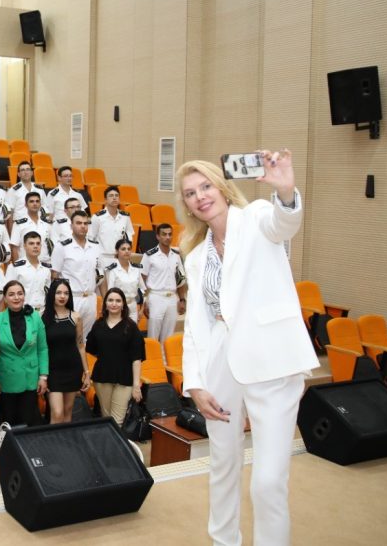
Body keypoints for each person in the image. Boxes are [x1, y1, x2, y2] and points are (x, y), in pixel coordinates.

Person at [176, 150, 316, 546]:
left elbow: (284, 222)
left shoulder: (255, 217)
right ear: (185, 204)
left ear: (222, 187)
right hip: (220, 361)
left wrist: (285, 189)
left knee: (268, 482)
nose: (200, 196)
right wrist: (196, 383)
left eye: (205, 186)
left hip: (271, 359)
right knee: (222, 464)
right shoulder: (196, 254)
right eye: (190, 193)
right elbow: (197, 327)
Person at [0, 280, 48, 427]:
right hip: (6, 381)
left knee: (29, 425)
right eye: (11, 294)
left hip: (30, 379)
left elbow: (42, 349)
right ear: (4, 298)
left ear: (24, 296)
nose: (16, 297)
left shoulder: (35, 317)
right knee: (8, 425)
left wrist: (43, 376)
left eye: (20, 293)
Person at [86, 288, 144, 421]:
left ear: (123, 304)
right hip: (102, 378)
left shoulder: (131, 326)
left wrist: (136, 386)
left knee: (117, 420)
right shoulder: (98, 325)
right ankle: (108, 442)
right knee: (106, 418)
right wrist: (108, 358)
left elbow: (137, 359)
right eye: (110, 300)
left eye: (118, 301)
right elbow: (92, 349)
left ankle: (116, 441)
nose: (114, 304)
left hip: (125, 379)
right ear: (105, 303)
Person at [41, 279, 88, 423]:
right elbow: (40, 348)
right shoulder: (42, 316)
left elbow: (80, 345)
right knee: (57, 412)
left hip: (72, 369)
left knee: (68, 411)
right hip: (52, 371)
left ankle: (64, 444)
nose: (62, 296)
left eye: (66, 293)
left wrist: (86, 373)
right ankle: (52, 445)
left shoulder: (76, 316)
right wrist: (42, 375)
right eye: (58, 292)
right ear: (51, 295)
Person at [50, 210, 102, 338]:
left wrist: (105, 299)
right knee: (68, 338)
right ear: (71, 226)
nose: (83, 226)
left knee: (85, 339)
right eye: (79, 223)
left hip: (90, 298)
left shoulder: (96, 247)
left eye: (85, 223)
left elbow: (101, 276)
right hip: (71, 298)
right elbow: (54, 276)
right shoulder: (62, 247)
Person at [142, 223, 187, 348]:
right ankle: (151, 363)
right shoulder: (149, 255)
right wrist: (145, 300)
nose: (167, 237)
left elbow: (180, 279)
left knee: (168, 337)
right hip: (156, 297)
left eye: (170, 234)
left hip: (172, 297)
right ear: (157, 236)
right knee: (153, 335)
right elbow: (142, 279)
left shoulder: (176, 255)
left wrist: (182, 299)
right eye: (164, 234)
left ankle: (165, 364)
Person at [4, 231, 51, 313]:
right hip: (21, 313)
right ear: (24, 246)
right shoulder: (14, 268)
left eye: (38, 243)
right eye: (31, 243)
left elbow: (48, 293)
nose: (35, 246)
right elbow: (8, 294)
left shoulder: (46, 269)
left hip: (43, 313)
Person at [89, 186, 134, 270]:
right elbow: (91, 238)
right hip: (102, 258)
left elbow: (129, 235)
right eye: (111, 196)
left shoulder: (125, 217)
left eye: (116, 195)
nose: (114, 198)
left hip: (120, 258)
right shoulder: (97, 217)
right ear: (105, 200)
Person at [101, 238, 146, 322]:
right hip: (117, 307)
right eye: (123, 249)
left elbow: (143, 290)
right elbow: (110, 293)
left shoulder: (136, 269)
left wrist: (141, 309)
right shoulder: (112, 270)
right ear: (117, 251)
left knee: (132, 333)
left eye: (129, 249)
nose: (126, 251)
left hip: (133, 306)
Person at [9, 191, 52, 262]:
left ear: (40, 204)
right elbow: (14, 248)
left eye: (37, 201)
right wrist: (17, 268)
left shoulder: (47, 224)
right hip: (25, 266)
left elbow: (52, 246)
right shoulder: (19, 224)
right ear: (26, 205)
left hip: (45, 265)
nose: (35, 204)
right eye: (31, 201)